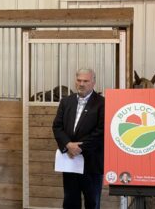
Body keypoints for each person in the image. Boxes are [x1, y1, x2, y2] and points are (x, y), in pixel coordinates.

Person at [52, 68, 105, 209]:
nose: (81, 84)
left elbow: (101, 131)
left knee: (92, 202)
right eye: (79, 80)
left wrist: (79, 147)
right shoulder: (66, 101)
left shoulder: (102, 103)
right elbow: (57, 126)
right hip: (70, 162)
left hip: (92, 162)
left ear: (93, 83)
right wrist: (68, 144)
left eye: (86, 81)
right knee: (70, 201)